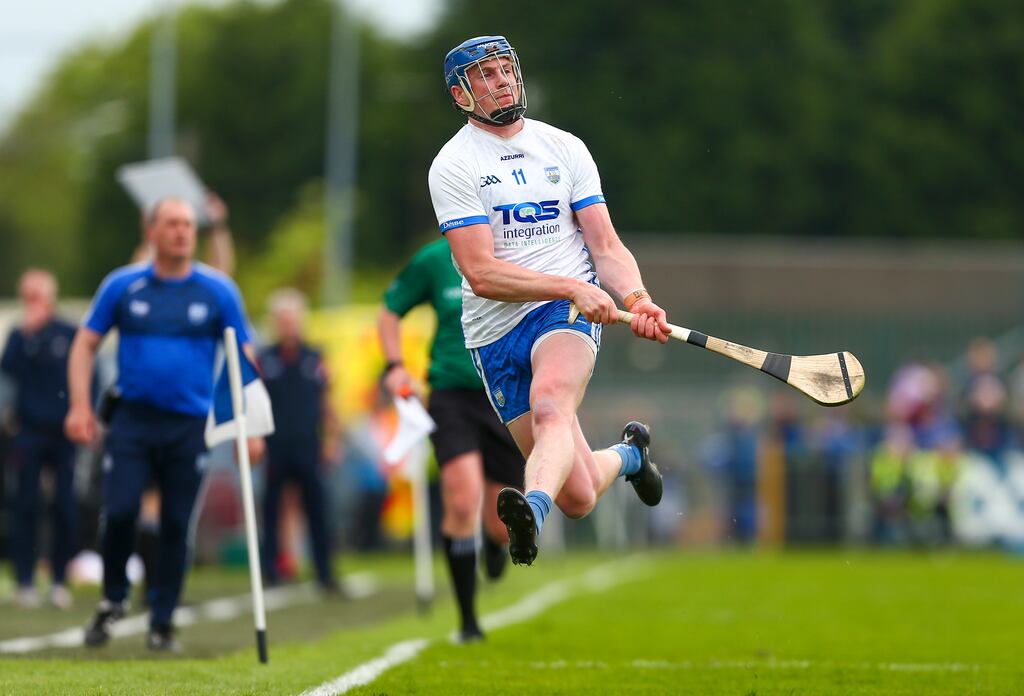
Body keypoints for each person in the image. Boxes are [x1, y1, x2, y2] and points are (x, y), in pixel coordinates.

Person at [429, 36, 671, 566]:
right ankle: (630, 456)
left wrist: (637, 296)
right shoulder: (453, 165)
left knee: (550, 406)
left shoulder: (564, 147)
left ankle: (530, 513)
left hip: (564, 318)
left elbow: (605, 246)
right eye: (485, 76)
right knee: (580, 496)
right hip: (494, 333)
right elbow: (481, 273)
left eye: (505, 70)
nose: (501, 82)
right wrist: (573, 287)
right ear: (460, 94)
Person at [65, 197, 262, 651]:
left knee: (175, 522)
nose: (181, 232)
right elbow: (84, 344)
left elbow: (243, 357)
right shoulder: (123, 285)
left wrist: (247, 426)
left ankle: (162, 619)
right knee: (119, 513)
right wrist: (79, 406)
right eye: (172, 224)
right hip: (132, 421)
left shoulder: (218, 290)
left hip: (189, 424)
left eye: (188, 225)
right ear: (150, 230)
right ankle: (113, 598)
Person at [378, 237, 526, 641]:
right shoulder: (433, 259)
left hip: (506, 390)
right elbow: (390, 311)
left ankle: (494, 544)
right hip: (450, 394)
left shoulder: (521, 250)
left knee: (501, 523)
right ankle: (467, 622)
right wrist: (395, 366)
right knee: (462, 499)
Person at [1, 269, 80, 609]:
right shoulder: (19, 336)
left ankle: (61, 578)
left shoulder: (68, 331)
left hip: (64, 432)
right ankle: (25, 580)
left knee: (64, 504)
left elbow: (84, 374)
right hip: (29, 431)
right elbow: (8, 372)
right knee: (25, 504)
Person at [258, 288, 341, 593]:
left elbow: (326, 401)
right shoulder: (264, 359)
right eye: (283, 319)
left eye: (293, 318)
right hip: (275, 444)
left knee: (318, 508)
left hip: (309, 444)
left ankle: (324, 571)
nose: (288, 325)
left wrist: (332, 438)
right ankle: (270, 569)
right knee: (271, 508)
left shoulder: (315, 356)